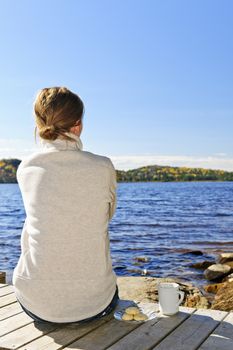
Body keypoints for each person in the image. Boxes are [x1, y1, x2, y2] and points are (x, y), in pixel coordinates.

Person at [12, 86, 119, 324]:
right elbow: (106, 215)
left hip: (37, 303)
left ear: (39, 124)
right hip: (96, 304)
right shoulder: (103, 166)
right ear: (78, 125)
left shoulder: (26, 168)